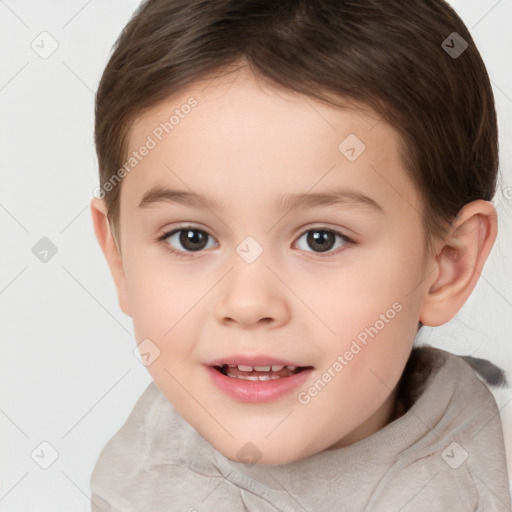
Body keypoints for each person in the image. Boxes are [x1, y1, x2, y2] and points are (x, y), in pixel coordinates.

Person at [88, 0, 511, 509]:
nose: (247, 303)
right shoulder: (132, 485)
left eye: (321, 239)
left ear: (447, 265)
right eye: (191, 238)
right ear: (120, 259)